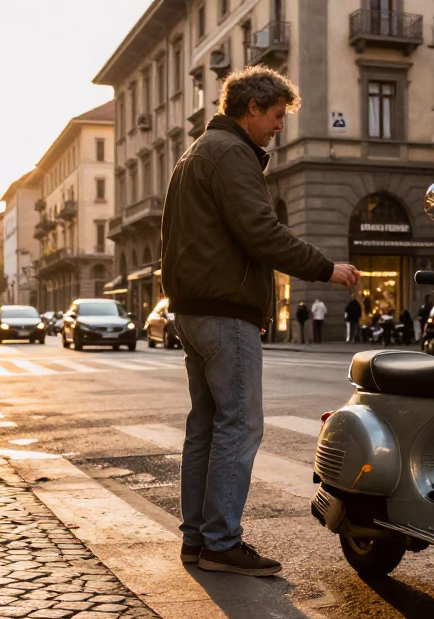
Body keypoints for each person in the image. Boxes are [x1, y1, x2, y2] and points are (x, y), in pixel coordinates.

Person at [160, 65, 359, 576]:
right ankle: (221, 542)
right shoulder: (231, 154)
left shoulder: (196, 153)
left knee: (205, 427)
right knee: (240, 425)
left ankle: (197, 540)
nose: (279, 126)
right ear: (251, 108)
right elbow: (262, 232)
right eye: (275, 115)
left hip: (193, 310)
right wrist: (326, 268)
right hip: (224, 312)